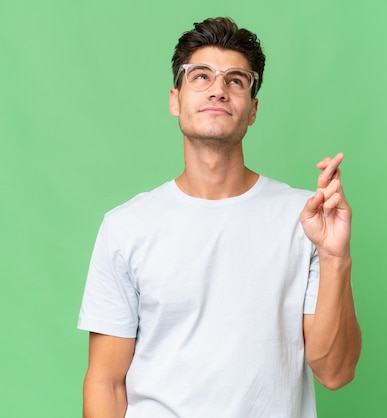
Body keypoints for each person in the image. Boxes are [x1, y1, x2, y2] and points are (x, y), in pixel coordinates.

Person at [78, 17, 361, 418]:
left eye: (235, 80)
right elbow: (105, 381)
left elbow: (335, 372)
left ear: (253, 110)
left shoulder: (306, 220)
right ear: (175, 99)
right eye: (200, 76)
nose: (218, 90)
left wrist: (336, 258)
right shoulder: (127, 226)